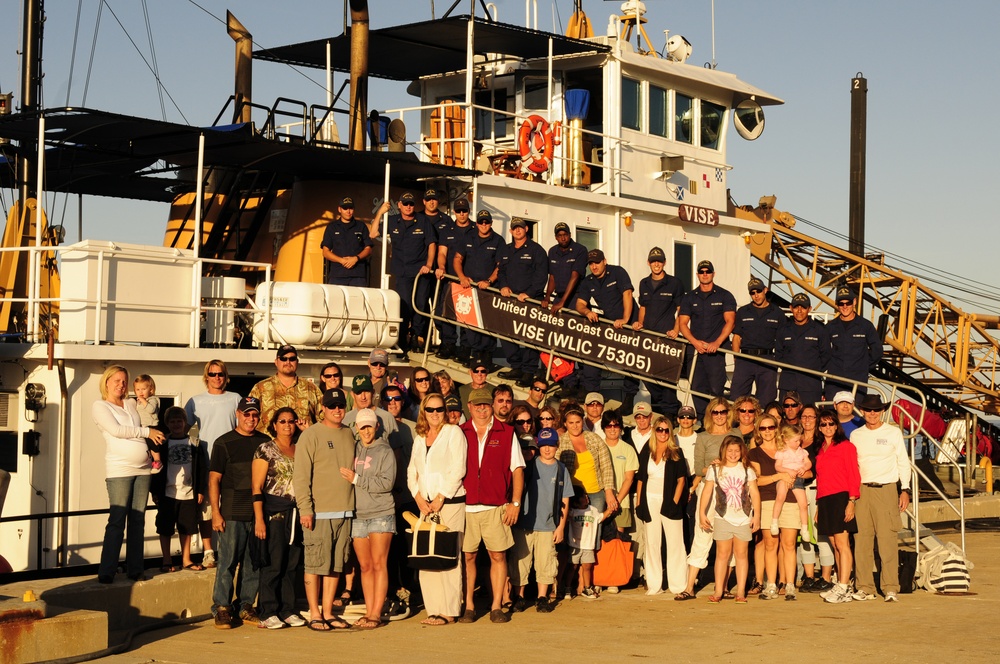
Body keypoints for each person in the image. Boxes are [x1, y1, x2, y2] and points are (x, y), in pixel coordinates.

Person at [93, 365, 166, 584]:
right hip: (119, 469)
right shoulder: (100, 405)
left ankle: (135, 568)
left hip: (143, 469)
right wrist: (147, 432)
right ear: (106, 382)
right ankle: (107, 570)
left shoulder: (132, 403)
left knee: (138, 520)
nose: (121, 385)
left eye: (124, 381)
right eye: (116, 380)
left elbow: (147, 418)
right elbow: (117, 431)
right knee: (117, 520)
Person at [458, 387, 525, 624]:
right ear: (470, 407)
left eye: (486, 404)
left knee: (498, 555)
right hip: (465, 506)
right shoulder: (459, 432)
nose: (482, 408)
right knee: (468, 557)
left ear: (492, 406)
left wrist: (515, 502)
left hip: (496, 506)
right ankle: (469, 606)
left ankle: (497, 606)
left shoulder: (506, 432)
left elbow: (517, 469)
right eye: (478, 405)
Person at [292, 388, 357, 631]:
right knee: (315, 565)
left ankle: (329, 612)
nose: (337, 410)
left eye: (340, 406)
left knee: (336, 565)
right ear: (323, 409)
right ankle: (315, 613)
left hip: (345, 512)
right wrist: (305, 509)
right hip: (318, 513)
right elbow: (301, 477)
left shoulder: (350, 433)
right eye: (332, 406)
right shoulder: (311, 435)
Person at [407, 394, 468, 626]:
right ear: (424, 411)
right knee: (427, 558)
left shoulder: (454, 433)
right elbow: (412, 470)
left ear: (445, 410)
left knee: (449, 557)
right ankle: (433, 609)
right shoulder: (420, 437)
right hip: (425, 505)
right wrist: (418, 497)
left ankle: (450, 610)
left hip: (450, 502)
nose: (435, 413)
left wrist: (441, 497)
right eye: (430, 409)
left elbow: (458, 468)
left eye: (439, 409)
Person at [209, 396, 269, 628]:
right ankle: (222, 607)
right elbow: (214, 480)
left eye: (255, 415)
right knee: (227, 562)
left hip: (257, 514)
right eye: (247, 414)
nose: (251, 419)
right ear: (238, 414)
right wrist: (216, 512)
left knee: (253, 563)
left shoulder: (265, 442)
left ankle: (245, 605)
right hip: (232, 512)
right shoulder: (223, 443)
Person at [850, 393, 911, 602]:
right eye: (868, 410)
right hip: (861, 491)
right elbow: (852, 466)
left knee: (887, 541)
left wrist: (905, 489)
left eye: (876, 410)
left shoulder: (893, 433)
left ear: (883, 411)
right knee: (862, 541)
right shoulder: (856, 435)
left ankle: (891, 587)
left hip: (886, 489)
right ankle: (864, 586)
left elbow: (903, 461)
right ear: (863, 412)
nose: (872, 413)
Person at [676, 398, 738, 600]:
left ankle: (725, 587)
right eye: (715, 412)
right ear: (710, 414)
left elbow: (742, 463)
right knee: (702, 534)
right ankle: (689, 586)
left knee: (730, 539)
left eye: (722, 412)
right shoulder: (702, 437)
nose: (719, 416)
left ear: (728, 413)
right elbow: (699, 468)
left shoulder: (736, 434)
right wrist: (713, 465)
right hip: (709, 489)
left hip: (733, 491)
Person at [340, 409, 397, 629]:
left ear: (377, 427)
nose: (366, 430)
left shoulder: (385, 451)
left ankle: (376, 613)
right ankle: (368, 609)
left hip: (381, 513)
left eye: (369, 426)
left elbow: (386, 483)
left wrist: (357, 479)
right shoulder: (353, 448)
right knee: (364, 566)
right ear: (356, 428)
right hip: (358, 514)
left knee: (378, 563)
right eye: (362, 426)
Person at [184, 359, 242, 569]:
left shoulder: (235, 398)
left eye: (220, 374)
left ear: (226, 376)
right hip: (207, 463)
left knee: (231, 509)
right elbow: (186, 429)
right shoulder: (194, 401)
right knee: (207, 510)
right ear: (206, 376)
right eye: (213, 374)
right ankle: (208, 551)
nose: (217, 378)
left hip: (231, 463)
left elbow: (242, 427)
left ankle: (230, 551)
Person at [252, 406, 305, 629]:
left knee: (292, 564)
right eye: (282, 421)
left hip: (296, 512)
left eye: (291, 421)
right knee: (274, 564)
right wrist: (259, 519)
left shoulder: (300, 447)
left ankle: (287, 609)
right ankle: (268, 611)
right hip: (274, 512)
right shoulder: (265, 449)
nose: (287, 425)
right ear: (274, 425)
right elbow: (256, 486)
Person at [509, 427, 573, 612]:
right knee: (520, 560)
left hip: (548, 524)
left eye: (551, 445)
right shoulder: (529, 465)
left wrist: (560, 527)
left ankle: (542, 597)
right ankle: (519, 596)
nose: (547, 449)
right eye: (543, 445)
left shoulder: (561, 470)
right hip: (524, 523)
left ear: (557, 446)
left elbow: (565, 500)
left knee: (546, 562)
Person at [699, 436, 761, 604]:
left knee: (741, 555)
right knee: (722, 554)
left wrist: (757, 516)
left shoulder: (747, 470)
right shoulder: (715, 469)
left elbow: (755, 494)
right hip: (722, 516)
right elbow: (707, 492)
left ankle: (741, 591)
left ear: (742, 452)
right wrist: (701, 513)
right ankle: (719, 589)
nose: (733, 454)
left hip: (743, 518)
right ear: (724, 451)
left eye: (736, 450)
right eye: (730, 451)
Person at [575, 250, 639, 407]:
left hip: (630, 323)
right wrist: (587, 312)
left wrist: (625, 319)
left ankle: (629, 398)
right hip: (608, 325)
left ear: (604, 261)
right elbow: (579, 304)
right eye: (591, 264)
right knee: (591, 355)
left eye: (597, 262)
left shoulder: (617, 272)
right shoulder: (588, 280)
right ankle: (592, 396)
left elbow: (627, 294)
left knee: (631, 361)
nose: (594, 266)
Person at [748, 413, 800, 601]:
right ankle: (770, 584)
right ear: (758, 431)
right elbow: (755, 480)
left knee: (789, 544)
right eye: (763, 428)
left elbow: (805, 466)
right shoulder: (754, 453)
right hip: (767, 500)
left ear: (777, 429)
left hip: (792, 498)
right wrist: (778, 476)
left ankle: (790, 585)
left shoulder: (789, 448)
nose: (768, 431)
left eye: (771, 427)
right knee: (770, 544)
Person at [635, 415, 688, 596]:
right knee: (652, 543)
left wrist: (674, 502)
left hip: (669, 503)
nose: (663, 433)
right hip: (649, 500)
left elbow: (682, 481)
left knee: (675, 544)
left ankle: (678, 585)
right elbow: (641, 479)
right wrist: (639, 503)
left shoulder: (676, 452)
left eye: (666, 430)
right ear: (654, 431)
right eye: (659, 429)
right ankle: (654, 585)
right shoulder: (646, 450)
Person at [678, 260, 737, 416]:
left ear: (713, 274)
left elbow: (730, 322)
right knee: (697, 387)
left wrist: (717, 343)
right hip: (695, 351)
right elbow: (682, 323)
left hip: (715, 352)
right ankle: (704, 421)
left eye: (708, 271)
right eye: (702, 271)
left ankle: (718, 419)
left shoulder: (725, 295)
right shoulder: (689, 297)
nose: (705, 274)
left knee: (716, 389)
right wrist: (695, 343)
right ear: (697, 274)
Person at [815, 412, 861, 604]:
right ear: (819, 428)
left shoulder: (846, 446)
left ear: (836, 426)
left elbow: (854, 474)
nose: (827, 427)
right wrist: (818, 505)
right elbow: (821, 478)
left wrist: (851, 501)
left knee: (843, 544)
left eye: (831, 424)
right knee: (835, 544)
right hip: (825, 499)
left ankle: (844, 585)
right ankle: (841, 584)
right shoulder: (821, 450)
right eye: (823, 424)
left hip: (841, 497)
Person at [152, 406, 205, 574]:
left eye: (179, 421)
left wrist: (201, 491)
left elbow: (202, 469)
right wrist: (154, 492)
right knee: (165, 527)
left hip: (189, 493)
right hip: (167, 493)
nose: (176, 425)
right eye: (173, 422)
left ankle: (186, 559)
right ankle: (166, 560)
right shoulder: (162, 443)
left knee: (187, 528)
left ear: (185, 423)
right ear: (167, 424)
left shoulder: (194, 443)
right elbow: (155, 468)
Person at [496, 217, 548, 386]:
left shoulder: (537, 250)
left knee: (530, 335)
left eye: (520, 227)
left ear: (526, 229)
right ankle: (516, 366)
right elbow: (501, 271)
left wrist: (529, 294)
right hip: (510, 300)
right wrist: (503, 286)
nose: (517, 230)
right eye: (514, 228)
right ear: (511, 231)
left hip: (530, 301)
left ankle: (528, 371)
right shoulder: (506, 249)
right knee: (505, 332)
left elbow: (541, 277)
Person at [633, 246, 684, 418]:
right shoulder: (643, 283)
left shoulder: (675, 283)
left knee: (666, 376)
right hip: (648, 337)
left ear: (664, 263)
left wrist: (676, 330)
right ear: (648, 263)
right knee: (646, 374)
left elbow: (681, 310)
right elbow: (643, 308)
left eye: (659, 261)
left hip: (666, 338)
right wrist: (639, 323)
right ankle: (670, 405)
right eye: (653, 261)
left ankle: (670, 412)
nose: (656, 264)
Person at [541, 222, 589, 397]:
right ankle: (567, 380)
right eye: (559, 235)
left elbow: (575, 276)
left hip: (576, 297)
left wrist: (562, 301)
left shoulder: (580, 250)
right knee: (558, 339)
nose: (563, 237)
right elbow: (552, 277)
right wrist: (547, 297)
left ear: (570, 235)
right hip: (559, 297)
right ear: (556, 237)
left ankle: (582, 384)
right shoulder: (552, 251)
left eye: (565, 234)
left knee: (577, 340)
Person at [388, 192, 437, 353]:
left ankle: (418, 338)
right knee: (405, 306)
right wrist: (381, 212)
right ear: (399, 205)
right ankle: (402, 339)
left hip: (421, 272)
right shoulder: (392, 220)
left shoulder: (423, 221)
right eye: (405, 204)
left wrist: (429, 264)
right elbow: (373, 233)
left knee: (421, 305)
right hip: (402, 272)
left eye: (411, 204)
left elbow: (431, 244)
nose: (409, 207)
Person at [454, 209, 503, 369]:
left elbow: (500, 266)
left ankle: (486, 358)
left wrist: (489, 281)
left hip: (489, 290)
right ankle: (470, 356)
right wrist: (461, 277)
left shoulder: (498, 241)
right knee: (468, 324)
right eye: (481, 222)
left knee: (488, 324)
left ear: (491, 223)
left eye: (486, 222)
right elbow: (457, 259)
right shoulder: (468, 237)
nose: (483, 225)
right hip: (469, 289)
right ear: (476, 224)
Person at [730, 277, 783, 405]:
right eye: (752, 293)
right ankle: (738, 424)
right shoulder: (743, 311)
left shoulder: (777, 313)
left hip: (767, 358)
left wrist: (777, 360)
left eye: (758, 291)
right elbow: (736, 337)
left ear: (765, 290)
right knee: (737, 397)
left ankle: (764, 424)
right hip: (745, 358)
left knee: (767, 398)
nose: (756, 295)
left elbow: (782, 340)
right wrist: (737, 358)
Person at [249, 345, 323, 434]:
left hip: (301, 445)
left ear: (297, 362)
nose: (288, 362)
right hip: (269, 444)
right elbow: (249, 418)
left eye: (292, 359)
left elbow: (323, 419)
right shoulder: (260, 388)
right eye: (283, 359)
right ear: (276, 362)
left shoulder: (311, 388)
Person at [826, 285, 883, 398]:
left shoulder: (866, 326)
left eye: (848, 302)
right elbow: (822, 351)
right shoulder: (830, 327)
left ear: (855, 301)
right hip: (834, 381)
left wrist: (863, 366)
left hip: (857, 381)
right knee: (832, 414)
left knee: (855, 413)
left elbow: (877, 350)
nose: (845, 306)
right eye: (841, 303)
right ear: (836, 304)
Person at [434, 198, 473, 361]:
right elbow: (442, 253)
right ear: (454, 212)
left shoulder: (476, 229)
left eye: (464, 211)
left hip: (468, 281)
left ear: (468, 211)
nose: (462, 214)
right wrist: (441, 267)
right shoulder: (447, 230)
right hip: (449, 279)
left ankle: (464, 349)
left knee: (466, 317)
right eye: (458, 211)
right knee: (443, 314)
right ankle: (448, 345)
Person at [775, 293, 828, 406]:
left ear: (809, 309)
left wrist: (811, 370)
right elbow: (779, 355)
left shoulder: (819, 330)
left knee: (810, 417)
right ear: (791, 308)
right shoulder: (783, 330)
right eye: (796, 307)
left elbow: (826, 356)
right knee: (786, 418)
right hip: (788, 383)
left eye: (803, 307)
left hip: (811, 384)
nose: (799, 310)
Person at [770, 424, 812, 540]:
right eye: (796, 441)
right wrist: (788, 470)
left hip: (798, 479)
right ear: (786, 440)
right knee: (780, 497)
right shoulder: (782, 451)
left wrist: (804, 468)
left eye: (799, 440)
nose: (798, 443)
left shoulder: (802, 452)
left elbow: (808, 463)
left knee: (803, 504)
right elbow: (778, 466)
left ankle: (804, 528)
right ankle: (774, 522)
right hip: (784, 478)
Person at [566, 488, 609, 600]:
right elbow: (565, 517)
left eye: (587, 496)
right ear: (576, 502)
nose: (587, 498)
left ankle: (587, 588)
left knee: (587, 566)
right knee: (572, 566)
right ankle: (567, 588)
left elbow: (601, 518)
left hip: (588, 545)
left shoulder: (593, 510)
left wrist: (610, 509)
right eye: (583, 497)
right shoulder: (572, 512)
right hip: (575, 545)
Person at [602, 410, 638, 542]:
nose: (612, 429)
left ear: (621, 428)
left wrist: (617, 500)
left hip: (621, 502)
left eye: (616, 425)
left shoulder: (628, 449)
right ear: (603, 428)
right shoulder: (598, 446)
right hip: (600, 499)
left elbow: (629, 479)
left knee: (617, 540)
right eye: (608, 426)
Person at [321, 196, 374, 287]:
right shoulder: (332, 227)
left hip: (358, 276)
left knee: (357, 301)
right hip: (337, 275)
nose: (348, 211)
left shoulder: (361, 226)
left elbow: (368, 249)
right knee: (336, 301)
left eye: (351, 208)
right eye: (345, 208)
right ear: (339, 209)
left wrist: (356, 258)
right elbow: (325, 252)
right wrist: (341, 260)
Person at [133, 373, 163, 474]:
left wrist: (143, 401)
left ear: (151, 390)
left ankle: (158, 461)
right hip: (143, 428)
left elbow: (151, 409)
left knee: (154, 445)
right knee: (147, 447)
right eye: (138, 390)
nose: (140, 392)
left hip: (152, 426)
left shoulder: (153, 399)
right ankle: (150, 462)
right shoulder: (138, 402)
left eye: (143, 389)